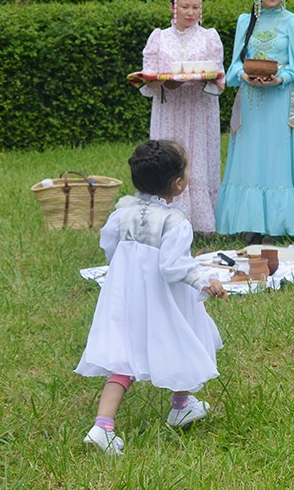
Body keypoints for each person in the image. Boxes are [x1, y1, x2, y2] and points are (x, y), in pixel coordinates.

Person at [76, 140, 228, 455]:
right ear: (178, 183)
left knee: (124, 357)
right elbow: (173, 267)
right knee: (179, 340)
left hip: (128, 295)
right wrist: (203, 279)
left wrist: (126, 273)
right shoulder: (176, 222)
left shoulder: (122, 211)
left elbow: (110, 247)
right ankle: (181, 403)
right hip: (163, 298)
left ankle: (103, 424)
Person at [217, 0, 294, 241]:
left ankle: (279, 222)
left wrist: (280, 77)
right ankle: (251, 223)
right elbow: (234, 65)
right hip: (250, 102)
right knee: (250, 158)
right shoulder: (244, 21)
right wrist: (243, 75)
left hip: (280, 101)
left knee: (277, 159)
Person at [137, 0, 223, 233]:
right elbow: (149, 73)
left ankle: (201, 224)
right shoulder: (159, 37)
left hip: (199, 109)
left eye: (195, 7)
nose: (190, 12)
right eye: (185, 7)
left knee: (197, 157)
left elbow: (218, 74)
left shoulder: (210, 37)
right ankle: (163, 219)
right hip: (169, 108)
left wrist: (205, 78)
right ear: (173, 8)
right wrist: (164, 83)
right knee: (167, 153)